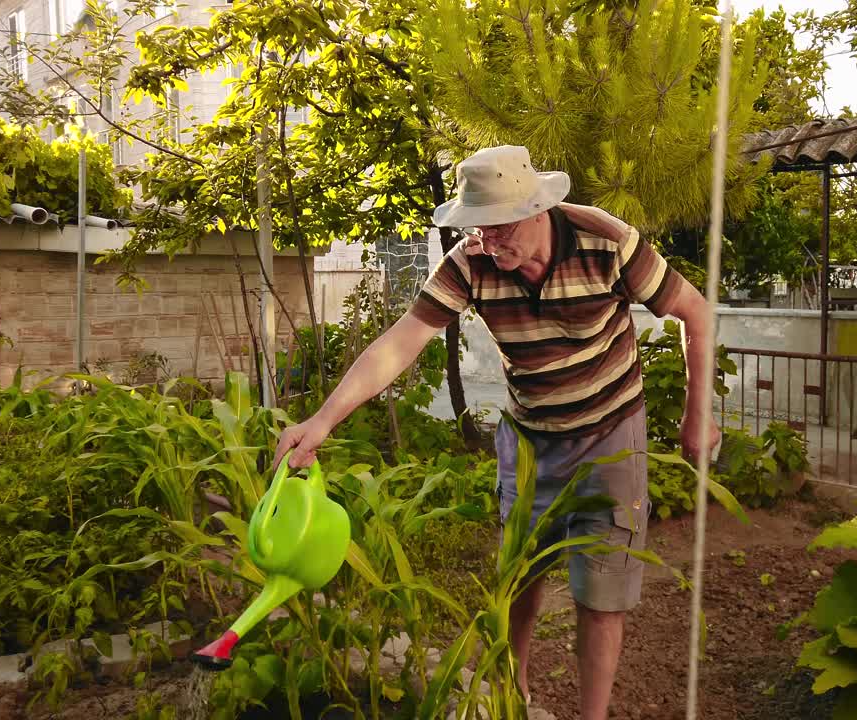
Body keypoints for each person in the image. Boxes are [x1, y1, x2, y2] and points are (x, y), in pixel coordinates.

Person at [274, 145, 720, 719]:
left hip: (612, 435)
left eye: (499, 226)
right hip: (532, 440)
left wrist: (697, 413)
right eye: (477, 228)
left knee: (602, 596)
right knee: (518, 580)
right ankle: (516, 691)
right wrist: (322, 420)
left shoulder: (606, 241)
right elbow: (402, 342)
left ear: (538, 207)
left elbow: (697, 312)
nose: (488, 241)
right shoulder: (471, 261)